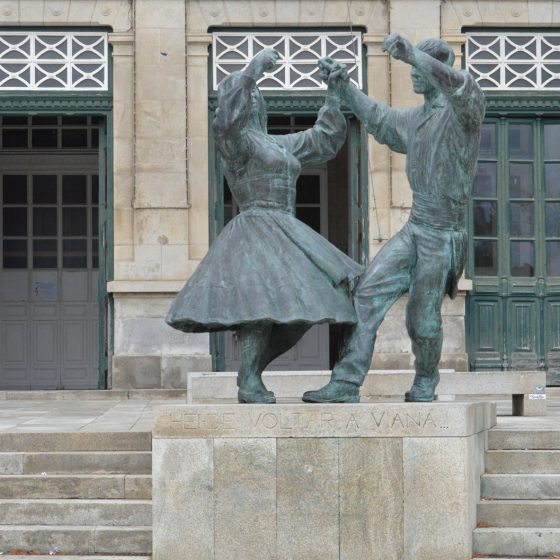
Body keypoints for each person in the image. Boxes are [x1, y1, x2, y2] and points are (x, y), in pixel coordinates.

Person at [166, 48, 363, 404]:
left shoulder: (277, 142)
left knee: (309, 307)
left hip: (287, 229)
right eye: (247, 94)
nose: (254, 99)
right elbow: (225, 122)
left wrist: (333, 95)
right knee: (259, 312)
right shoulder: (236, 144)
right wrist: (251, 70)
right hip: (254, 229)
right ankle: (250, 381)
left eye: (255, 95)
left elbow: (324, 139)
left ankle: (250, 372)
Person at [303, 34, 486, 403]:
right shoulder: (416, 118)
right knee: (367, 292)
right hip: (416, 226)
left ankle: (425, 381)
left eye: (421, 68)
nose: (413, 76)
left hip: (443, 233)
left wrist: (413, 56)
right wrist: (344, 87)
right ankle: (346, 381)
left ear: (436, 69)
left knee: (421, 319)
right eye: (414, 68)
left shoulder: (464, 113)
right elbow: (379, 118)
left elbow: (463, 87)